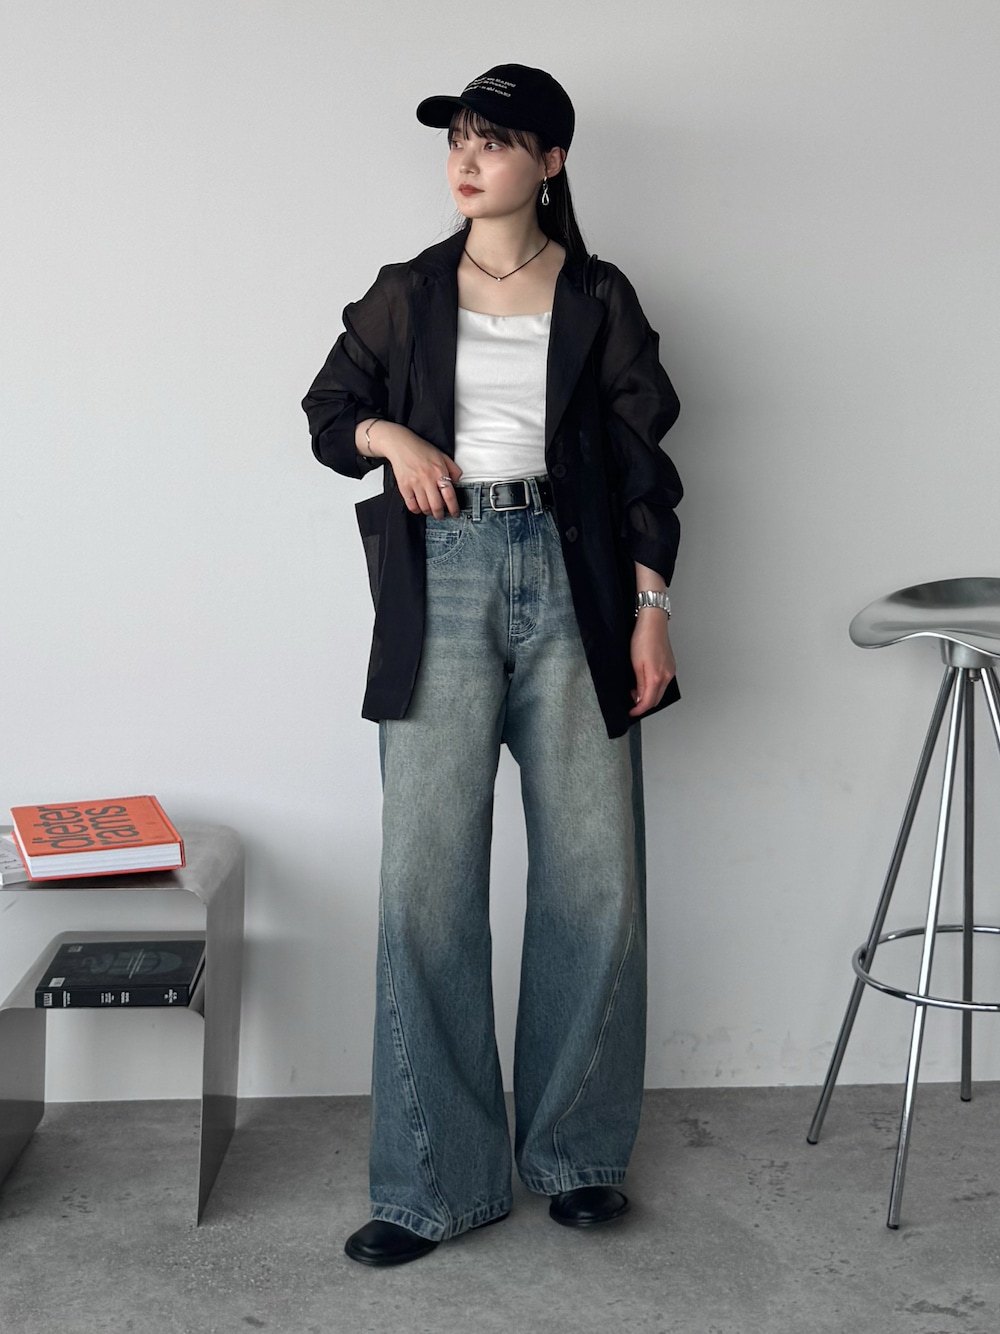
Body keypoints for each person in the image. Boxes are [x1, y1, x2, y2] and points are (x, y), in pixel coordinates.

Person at [302, 63, 683, 1267]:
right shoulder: (408, 291)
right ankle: (434, 1181)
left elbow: (643, 467)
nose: (467, 161)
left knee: (593, 880)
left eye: (496, 142)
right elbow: (327, 412)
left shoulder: (600, 295)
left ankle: (576, 1153)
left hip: (577, 583)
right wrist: (394, 435)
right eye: (458, 140)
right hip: (445, 575)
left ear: (550, 162)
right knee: (425, 885)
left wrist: (651, 607)